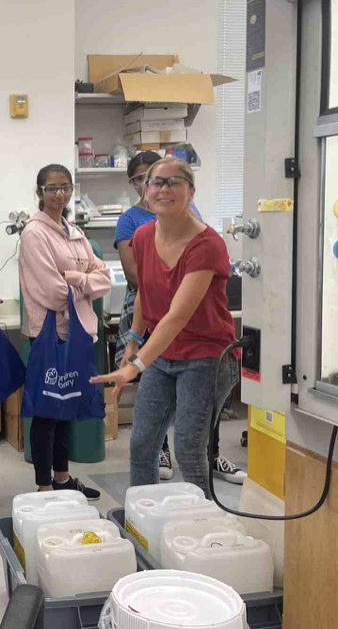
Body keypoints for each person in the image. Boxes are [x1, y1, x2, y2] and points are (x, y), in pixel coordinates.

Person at [92, 159, 241, 496]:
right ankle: (142, 519)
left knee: (189, 449)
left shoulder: (207, 245)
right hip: (163, 355)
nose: (163, 189)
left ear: (191, 191)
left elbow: (176, 317)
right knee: (142, 446)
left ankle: (203, 526)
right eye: (156, 182)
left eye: (174, 182)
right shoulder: (143, 236)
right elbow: (146, 290)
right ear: (145, 191)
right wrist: (132, 339)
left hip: (205, 357)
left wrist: (136, 365)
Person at [19, 164, 110, 498]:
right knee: (47, 410)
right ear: (39, 192)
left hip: (78, 331)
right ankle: (45, 486)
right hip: (49, 333)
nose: (59, 194)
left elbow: (105, 277)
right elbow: (53, 293)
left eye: (65, 187)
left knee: (67, 406)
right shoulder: (34, 234)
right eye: (52, 188)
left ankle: (62, 478)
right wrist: (84, 283)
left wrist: (76, 279)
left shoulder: (74, 231)